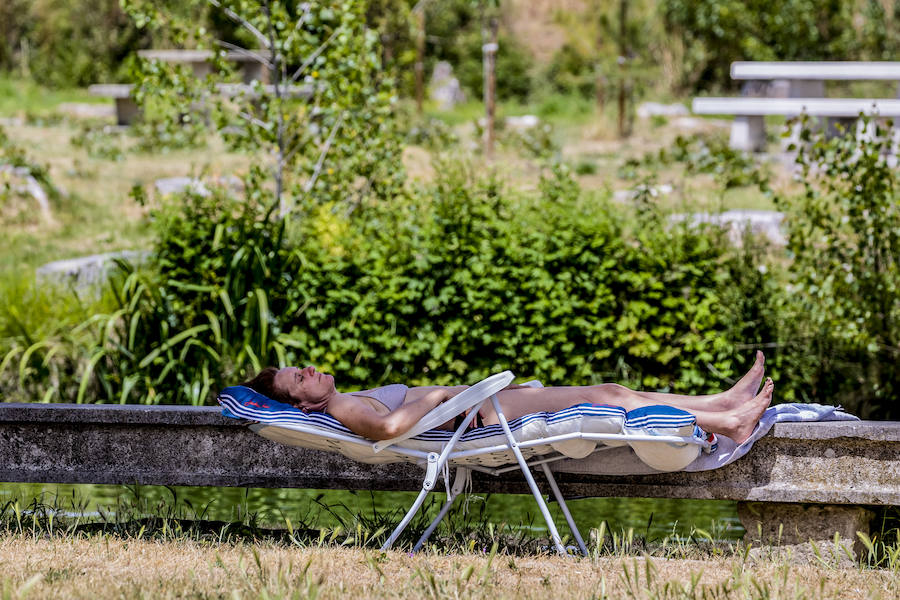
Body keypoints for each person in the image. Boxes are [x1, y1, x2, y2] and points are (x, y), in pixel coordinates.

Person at [241, 351, 774, 444]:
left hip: (471, 409)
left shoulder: (341, 398)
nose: (307, 371)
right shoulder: (341, 407)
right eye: (298, 380)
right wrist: (447, 396)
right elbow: (387, 431)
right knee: (608, 396)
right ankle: (727, 421)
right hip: (475, 417)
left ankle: (724, 403)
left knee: (613, 391)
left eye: (299, 367)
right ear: (304, 404)